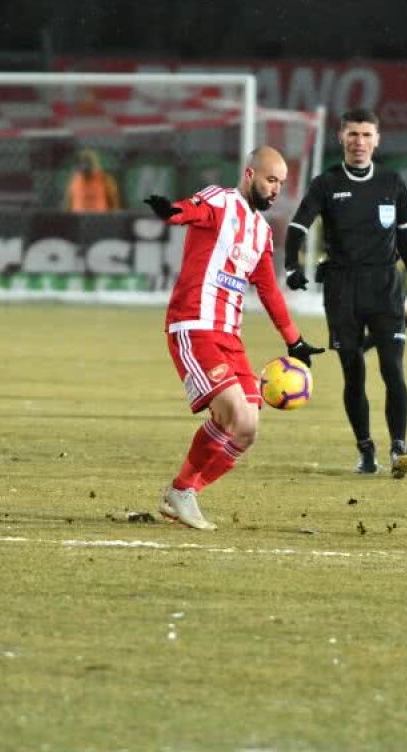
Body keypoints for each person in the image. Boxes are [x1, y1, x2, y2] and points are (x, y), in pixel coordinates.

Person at [144, 146, 323, 531]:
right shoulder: (220, 201)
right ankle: (182, 493)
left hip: (230, 336)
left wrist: (294, 341)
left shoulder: (261, 231)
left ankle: (183, 491)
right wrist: (170, 212)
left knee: (247, 428)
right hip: (195, 325)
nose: (276, 189)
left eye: (281, 183)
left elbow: (269, 289)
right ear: (249, 174)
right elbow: (190, 211)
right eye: (270, 180)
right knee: (234, 414)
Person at [283, 108, 407, 478]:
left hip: (385, 287)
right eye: (353, 134)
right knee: (353, 372)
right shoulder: (326, 183)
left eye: (366, 135)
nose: (359, 142)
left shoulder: (392, 182)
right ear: (341, 138)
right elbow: (298, 226)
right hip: (342, 290)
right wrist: (291, 266)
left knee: (393, 369)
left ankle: (399, 446)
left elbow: (404, 239)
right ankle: (366, 449)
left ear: (377, 140)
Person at [63, 148, 122, 212]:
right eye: (81, 162)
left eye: (87, 162)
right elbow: (67, 206)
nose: (84, 166)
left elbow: (115, 205)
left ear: (94, 163)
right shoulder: (74, 181)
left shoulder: (105, 179)